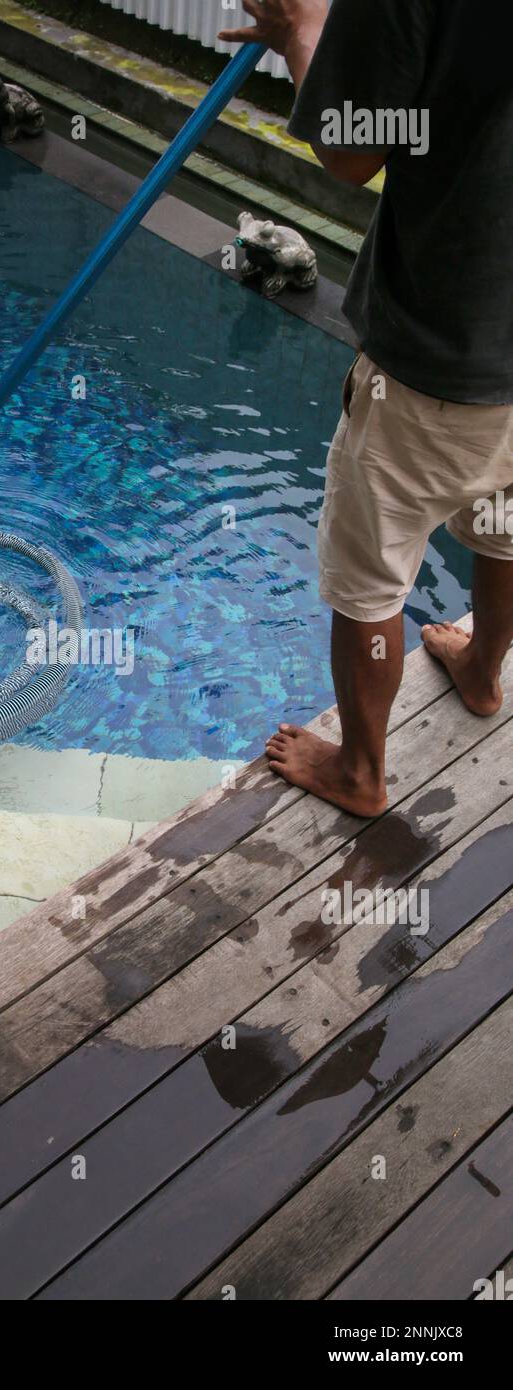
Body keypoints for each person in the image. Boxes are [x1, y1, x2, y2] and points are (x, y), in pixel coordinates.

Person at [218, 0, 513, 816]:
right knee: (506, 517)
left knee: (372, 577)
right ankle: (486, 671)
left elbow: (354, 148)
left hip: (441, 350)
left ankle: (362, 772)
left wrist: (302, 33)